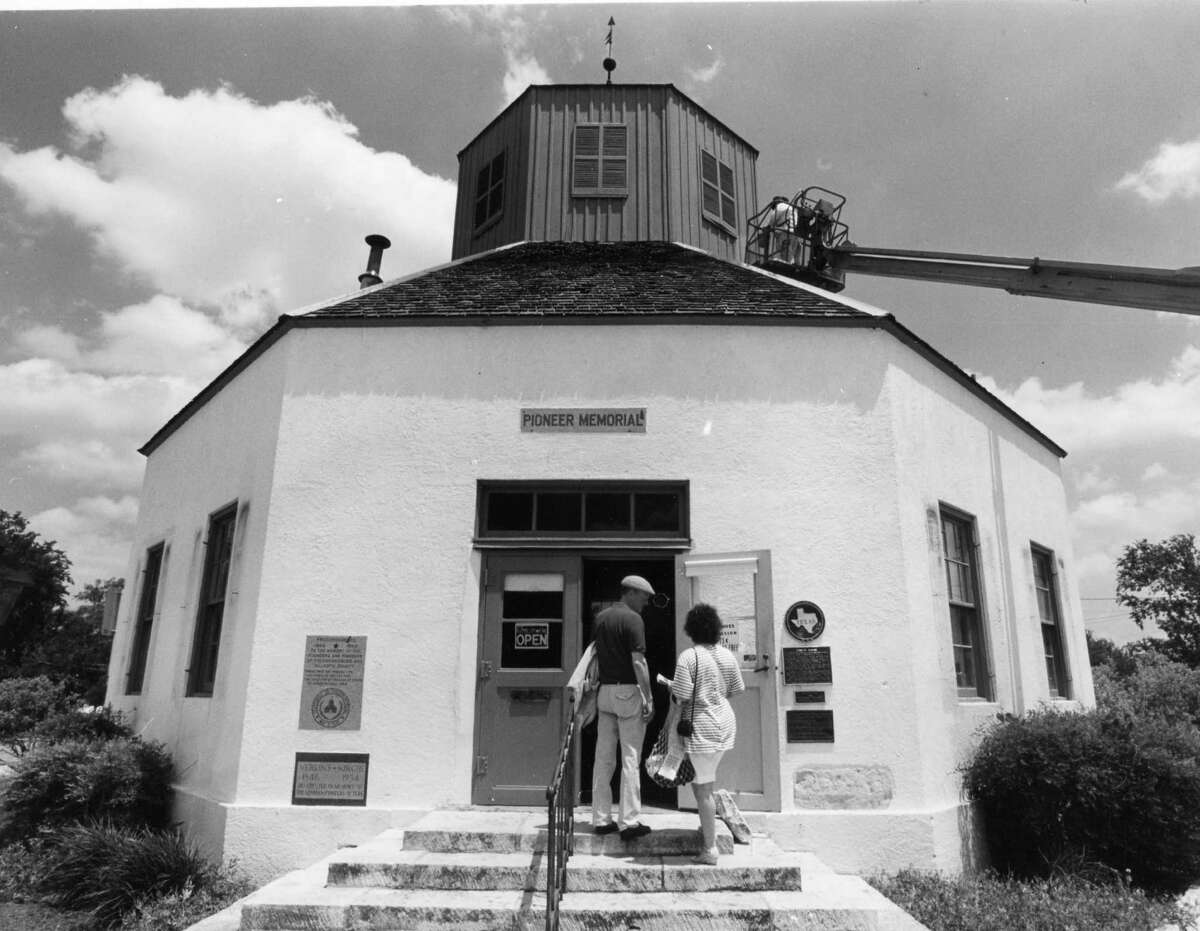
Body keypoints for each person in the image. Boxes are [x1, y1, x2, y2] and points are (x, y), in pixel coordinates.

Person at [671, 602, 745, 865]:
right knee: (705, 782)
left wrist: (674, 688)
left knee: (703, 789)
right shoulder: (726, 655)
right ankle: (708, 828)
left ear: (691, 629)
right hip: (725, 722)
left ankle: (710, 849)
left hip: (701, 725)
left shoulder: (689, 657)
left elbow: (680, 695)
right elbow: (737, 689)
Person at [590, 574, 657, 841]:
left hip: (604, 691)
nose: (646, 603)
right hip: (628, 691)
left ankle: (601, 818)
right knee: (631, 757)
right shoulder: (633, 619)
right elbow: (638, 662)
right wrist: (648, 697)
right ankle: (628, 821)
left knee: (603, 757)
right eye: (644, 597)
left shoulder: (601, 617)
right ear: (631, 593)